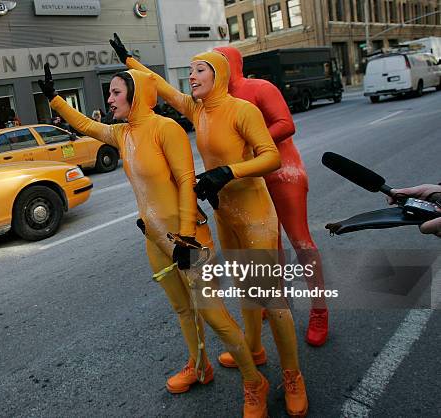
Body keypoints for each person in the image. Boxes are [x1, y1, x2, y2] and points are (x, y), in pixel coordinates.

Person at [38, 63, 267, 417]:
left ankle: (254, 382)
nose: (109, 99)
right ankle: (200, 365)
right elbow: (85, 125)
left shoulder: (167, 129)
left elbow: (187, 182)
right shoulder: (122, 134)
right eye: (109, 93)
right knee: (181, 309)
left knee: (214, 315)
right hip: (154, 237)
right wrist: (54, 98)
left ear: (137, 94)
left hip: (188, 239)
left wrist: (186, 237)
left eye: (116, 92)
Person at [111, 34, 308, 417]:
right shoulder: (197, 110)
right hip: (224, 215)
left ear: (217, 75)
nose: (191, 77)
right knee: (245, 290)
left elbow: (270, 157)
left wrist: (227, 172)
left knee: (270, 296)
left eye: (199, 70)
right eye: (190, 71)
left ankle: (293, 375)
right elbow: (162, 88)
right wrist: (130, 59)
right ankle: (254, 348)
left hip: (256, 214)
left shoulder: (241, 110)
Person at [212, 45, 329, 348]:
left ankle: (319, 309)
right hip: (254, 182)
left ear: (231, 64)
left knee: (301, 242)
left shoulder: (259, 87)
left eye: (217, 61)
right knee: (269, 248)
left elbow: (286, 124)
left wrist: (253, 140)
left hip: (284, 173)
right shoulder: (218, 102)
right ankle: (282, 305)